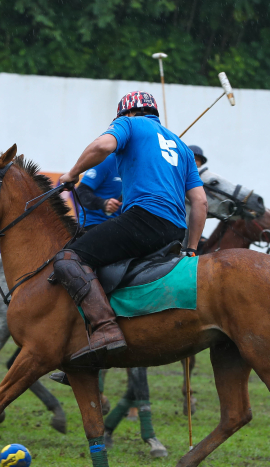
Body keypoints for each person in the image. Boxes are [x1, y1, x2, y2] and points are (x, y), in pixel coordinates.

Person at [54, 91, 208, 366]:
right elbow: (200, 202)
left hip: (143, 220)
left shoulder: (130, 124)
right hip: (175, 231)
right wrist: (192, 249)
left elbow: (102, 146)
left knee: (69, 258)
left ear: (126, 113)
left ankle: (105, 330)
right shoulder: (183, 148)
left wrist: (73, 173)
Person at [75, 153, 123, 229]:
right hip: (93, 223)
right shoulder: (105, 161)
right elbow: (81, 192)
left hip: (120, 225)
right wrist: (103, 203)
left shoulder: (138, 166)